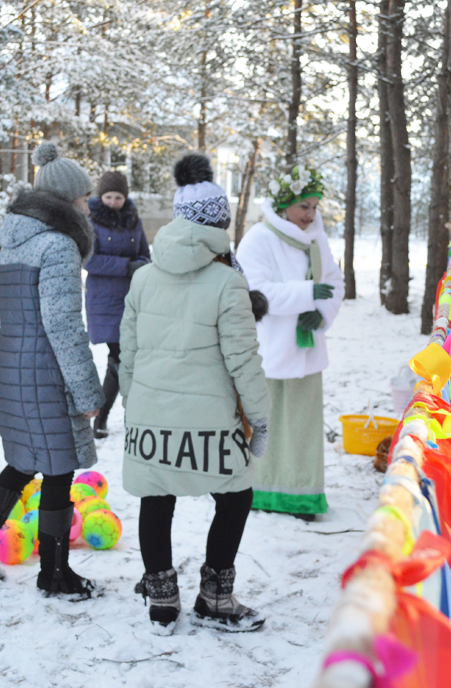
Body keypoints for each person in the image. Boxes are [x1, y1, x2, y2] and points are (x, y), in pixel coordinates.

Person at [120, 154, 271, 634]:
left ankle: (162, 602)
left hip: (148, 416)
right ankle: (215, 598)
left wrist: (135, 405)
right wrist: (260, 419)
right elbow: (243, 361)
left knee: (155, 496)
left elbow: (128, 353)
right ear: (220, 226)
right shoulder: (229, 282)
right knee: (236, 495)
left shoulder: (142, 277)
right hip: (210, 423)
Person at [0, 142, 106, 599]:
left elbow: (1, 321)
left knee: (20, 465)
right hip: (48, 374)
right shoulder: (58, 247)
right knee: (58, 472)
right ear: (66, 202)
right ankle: (55, 575)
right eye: (83, 199)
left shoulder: (13, 243)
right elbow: (63, 327)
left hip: (14, 370)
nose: (88, 206)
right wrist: (88, 392)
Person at [235, 165, 344, 520]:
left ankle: (301, 495)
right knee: (264, 426)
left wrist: (322, 313)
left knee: (301, 429)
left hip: (306, 350)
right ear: (284, 206)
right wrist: (306, 295)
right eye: (304, 207)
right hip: (268, 350)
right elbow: (256, 292)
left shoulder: (318, 240)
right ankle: (257, 491)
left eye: (314, 207)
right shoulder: (259, 238)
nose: (310, 215)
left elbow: (334, 283)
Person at [83, 171, 150, 439]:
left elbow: (145, 254)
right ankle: (110, 416)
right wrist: (126, 266)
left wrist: (141, 266)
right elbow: (89, 260)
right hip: (104, 299)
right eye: (109, 196)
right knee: (121, 356)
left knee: (123, 357)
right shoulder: (91, 220)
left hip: (132, 298)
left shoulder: (134, 219)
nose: (113, 202)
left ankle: (105, 417)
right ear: (102, 196)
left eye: (118, 197)